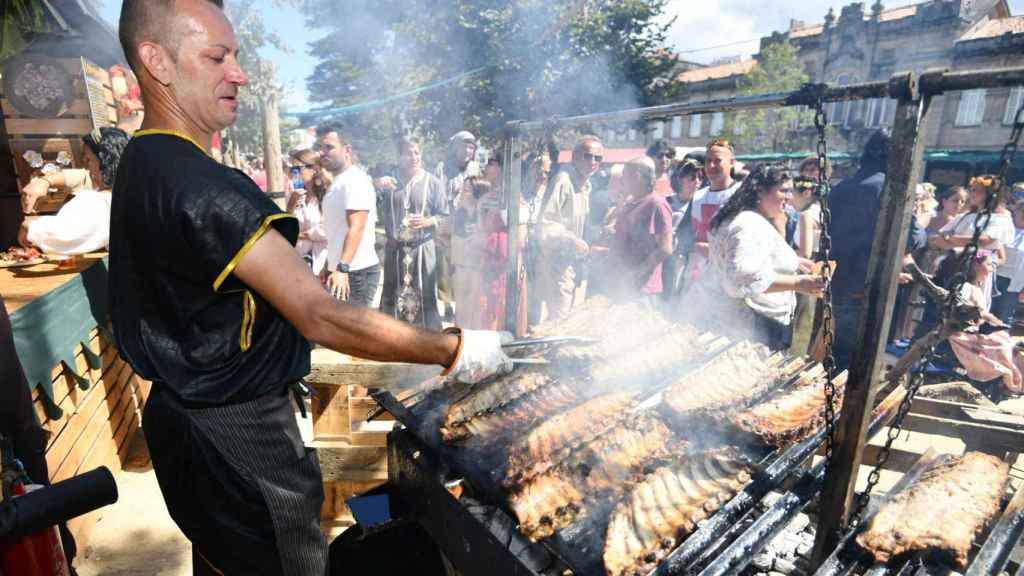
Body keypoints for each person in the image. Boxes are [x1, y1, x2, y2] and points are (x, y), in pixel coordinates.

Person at [109, 2, 512, 574]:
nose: (239, 73)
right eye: (216, 56)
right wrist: (456, 348)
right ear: (157, 62)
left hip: (183, 422)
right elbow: (322, 315)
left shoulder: (141, 162)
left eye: (238, 57)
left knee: (226, 558)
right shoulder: (203, 186)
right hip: (239, 433)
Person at [689, 163, 824, 350]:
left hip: (737, 319)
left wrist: (795, 261)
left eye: (790, 191)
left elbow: (743, 257)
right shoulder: (747, 225)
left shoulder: (740, 216)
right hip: (753, 327)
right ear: (760, 191)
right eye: (783, 191)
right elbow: (741, 279)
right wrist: (799, 283)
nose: (789, 198)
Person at [830, 130, 927, 370]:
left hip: (838, 284)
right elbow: (913, 238)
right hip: (869, 289)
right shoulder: (889, 188)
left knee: (836, 355)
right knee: (859, 362)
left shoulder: (840, 188)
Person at [18, 128, 130, 254]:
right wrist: (44, 181)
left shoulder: (99, 201)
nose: (86, 166)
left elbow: (64, 233)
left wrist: (30, 226)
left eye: (88, 159)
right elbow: (83, 176)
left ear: (105, 161)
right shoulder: (136, 190)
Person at [377, 139, 448, 330]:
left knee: (425, 295)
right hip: (395, 250)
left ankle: (428, 341)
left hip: (423, 249)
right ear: (399, 157)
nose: (414, 157)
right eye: (409, 153)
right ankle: (390, 339)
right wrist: (375, 185)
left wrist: (428, 221)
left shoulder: (433, 183)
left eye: (417, 153)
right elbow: (367, 204)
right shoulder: (388, 182)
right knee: (392, 293)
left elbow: (444, 216)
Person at [535, 135, 604, 321]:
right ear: (575, 156)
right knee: (560, 316)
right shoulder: (562, 180)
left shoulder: (587, 184)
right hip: (557, 261)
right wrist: (571, 239)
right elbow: (546, 223)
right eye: (587, 156)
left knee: (570, 316)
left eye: (598, 158)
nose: (593, 162)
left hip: (575, 262)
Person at [317, 122, 381, 308]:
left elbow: (357, 226)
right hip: (343, 270)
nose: (323, 152)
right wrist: (329, 264)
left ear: (347, 150)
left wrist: (342, 268)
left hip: (356, 273)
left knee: (355, 334)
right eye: (322, 147)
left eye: (329, 147)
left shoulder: (355, 180)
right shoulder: (339, 181)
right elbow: (338, 230)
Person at [930, 175, 1014, 313]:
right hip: (952, 267)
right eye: (972, 189)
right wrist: (955, 243)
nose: (972, 194)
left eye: (978, 190)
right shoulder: (966, 216)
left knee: (969, 310)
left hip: (977, 270)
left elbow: (985, 240)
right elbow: (939, 239)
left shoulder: (999, 218)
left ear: (991, 195)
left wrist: (952, 239)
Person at [947, 251, 1024, 397]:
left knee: (1008, 341)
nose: (992, 269)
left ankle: (1012, 382)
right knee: (1002, 345)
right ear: (976, 266)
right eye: (988, 265)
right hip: (962, 332)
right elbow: (962, 309)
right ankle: (1001, 375)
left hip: (975, 331)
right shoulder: (966, 287)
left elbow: (983, 313)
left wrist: (993, 319)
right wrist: (981, 318)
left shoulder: (978, 289)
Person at [677, 139, 743, 288]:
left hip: (729, 278)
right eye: (708, 161)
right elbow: (682, 235)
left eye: (717, 161)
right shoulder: (698, 196)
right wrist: (693, 246)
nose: (711, 166)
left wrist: (712, 251)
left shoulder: (742, 195)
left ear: (732, 162)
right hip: (698, 277)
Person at [609, 157, 673, 305]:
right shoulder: (631, 202)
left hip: (642, 291)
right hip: (622, 285)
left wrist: (637, 273)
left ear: (636, 176)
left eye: (625, 174)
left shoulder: (657, 204)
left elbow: (665, 248)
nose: (621, 179)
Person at [434, 131, 481, 320]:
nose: (468, 150)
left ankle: (465, 304)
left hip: (468, 226)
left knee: (464, 267)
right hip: (446, 223)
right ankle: (447, 305)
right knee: (445, 268)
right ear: (455, 147)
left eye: (471, 147)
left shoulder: (476, 168)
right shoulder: (442, 168)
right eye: (464, 146)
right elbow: (437, 194)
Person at [663, 156, 704, 301]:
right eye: (692, 177)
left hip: (686, 261)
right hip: (663, 259)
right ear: (680, 179)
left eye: (700, 177)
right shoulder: (665, 202)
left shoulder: (700, 205)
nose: (697, 182)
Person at [286, 149, 330, 274]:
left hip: (321, 262)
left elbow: (327, 229)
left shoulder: (327, 195)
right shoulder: (291, 195)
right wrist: (291, 206)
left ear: (314, 169)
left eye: (298, 168)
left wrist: (300, 235)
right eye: (291, 169)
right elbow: (287, 227)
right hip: (297, 261)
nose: (294, 173)